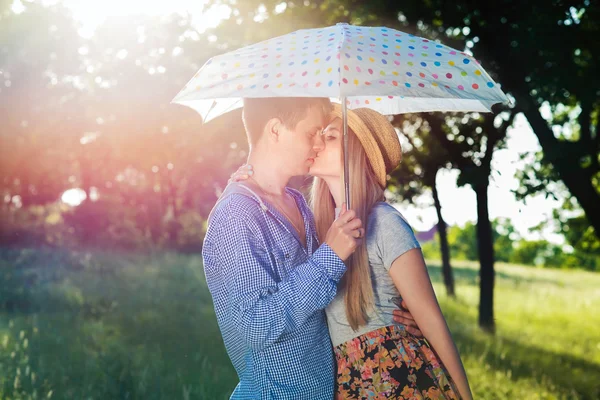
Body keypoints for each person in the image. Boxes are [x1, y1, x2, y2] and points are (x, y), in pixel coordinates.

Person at [231, 104, 473, 399]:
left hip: (397, 378)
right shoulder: (319, 229)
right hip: (345, 381)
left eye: (330, 137)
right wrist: (252, 181)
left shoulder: (384, 222)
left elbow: (432, 320)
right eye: (317, 135)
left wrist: (463, 395)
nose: (316, 143)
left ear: (358, 154)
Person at [203, 97, 420, 400]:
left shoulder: (299, 205)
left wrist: (401, 310)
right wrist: (328, 258)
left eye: (324, 135)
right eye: (312, 133)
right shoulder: (237, 215)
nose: (318, 144)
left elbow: (324, 299)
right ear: (276, 130)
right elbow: (255, 326)